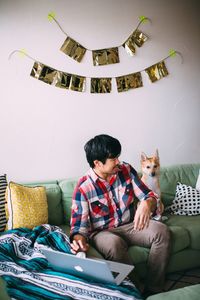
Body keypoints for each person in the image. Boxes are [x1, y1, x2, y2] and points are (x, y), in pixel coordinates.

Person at [70, 134, 171, 295]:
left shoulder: (126, 170)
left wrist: (147, 203)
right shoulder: (83, 188)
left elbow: (149, 196)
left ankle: (154, 288)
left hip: (132, 225)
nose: (118, 161)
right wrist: (79, 241)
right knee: (114, 245)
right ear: (97, 163)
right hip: (103, 233)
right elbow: (79, 229)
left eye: (118, 156)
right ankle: (136, 291)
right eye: (113, 158)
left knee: (162, 231)